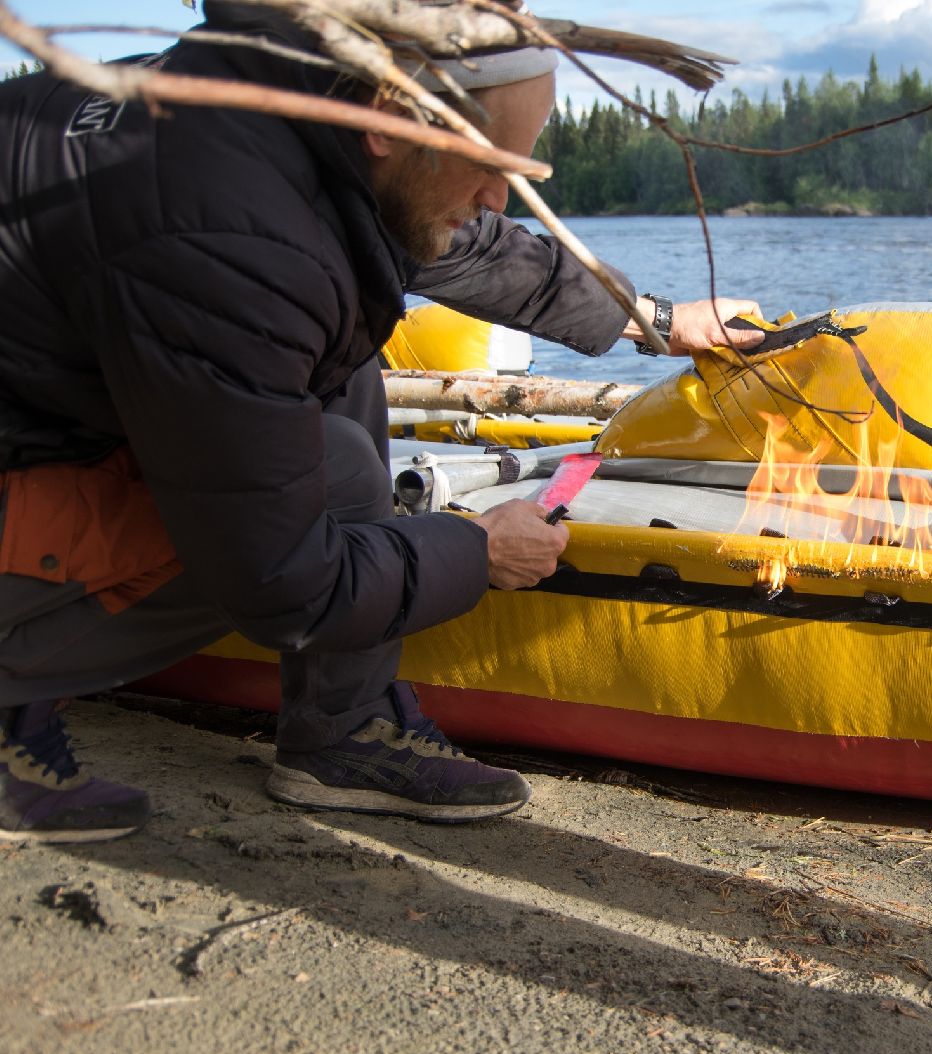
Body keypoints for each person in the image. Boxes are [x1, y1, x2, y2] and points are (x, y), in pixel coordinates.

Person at [0, 0, 764, 843]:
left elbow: (470, 243)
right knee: (318, 470)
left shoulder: (290, 104)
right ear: (389, 118)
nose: (497, 196)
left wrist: (654, 319)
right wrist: (476, 550)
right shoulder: (225, 236)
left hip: (47, 419)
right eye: (487, 164)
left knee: (343, 369)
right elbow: (285, 583)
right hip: (27, 453)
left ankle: (342, 727)